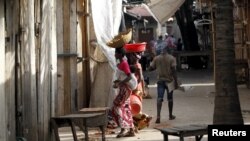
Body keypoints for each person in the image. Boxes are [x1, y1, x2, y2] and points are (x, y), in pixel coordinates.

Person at [108, 47, 135, 138]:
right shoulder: (120, 64)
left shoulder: (124, 64)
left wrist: (120, 82)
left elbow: (129, 77)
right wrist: (117, 83)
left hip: (125, 89)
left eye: (116, 53)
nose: (115, 55)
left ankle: (124, 129)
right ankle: (131, 129)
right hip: (123, 89)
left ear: (120, 54)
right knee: (126, 108)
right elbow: (122, 77)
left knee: (116, 106)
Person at [147, 47, 178, 123]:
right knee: (170, 99)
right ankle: (170, 115)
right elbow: (174, 70)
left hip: (160, 81)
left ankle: (158, 116)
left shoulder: (156, 58)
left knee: (159, 98)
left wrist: (154, 63)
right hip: (169, 81)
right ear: (168, 51)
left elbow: (150, 69)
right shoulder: (172, 58)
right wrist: (176, 81)